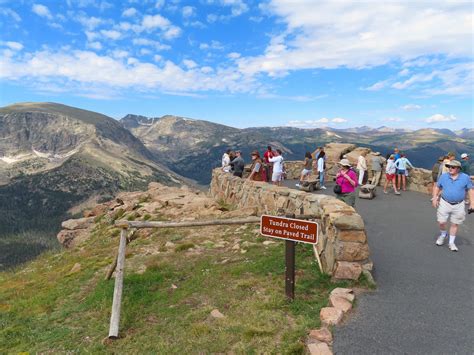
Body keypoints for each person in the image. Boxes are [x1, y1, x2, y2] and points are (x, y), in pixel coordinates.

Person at [432, 160, 474, 252]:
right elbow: (437, 187)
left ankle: (451, 243)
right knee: (441, 222)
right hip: (444, 202)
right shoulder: (444, 176)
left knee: (455, 224)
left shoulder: (465, 178)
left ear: (458, 169)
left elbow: (470, 190)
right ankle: (443, 234)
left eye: (453, 167)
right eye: (449, 167)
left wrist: (472, 204)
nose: (450, 168)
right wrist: (435, 198)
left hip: (459, 204)